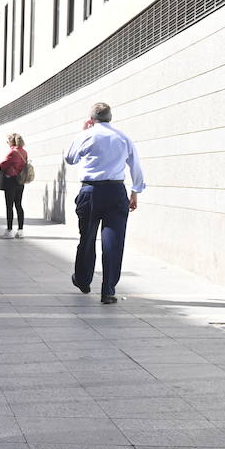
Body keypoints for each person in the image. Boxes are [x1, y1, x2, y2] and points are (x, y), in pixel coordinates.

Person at [65, 101, 147, 304]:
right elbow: (135, 165)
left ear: (91, 119)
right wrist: (135, 191)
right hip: (116, 191)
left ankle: (83, 280)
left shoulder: (85, 135)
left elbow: (70, 158)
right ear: (111, 117)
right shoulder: (123, 137)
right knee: (114, 242)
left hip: (90, 191)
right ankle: (108, 289)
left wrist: (82, 132)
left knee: (87, 237)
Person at [0, 133, 29, 239]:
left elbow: (3, 165)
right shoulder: (24, 152)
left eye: (7, 141)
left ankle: (9, 230)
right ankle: (20, 231)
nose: (7, 143)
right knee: (19, 205)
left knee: (9, 206)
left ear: (11, 141)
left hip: (11, 181)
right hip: (20, 181)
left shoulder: (12, 152)